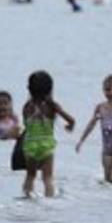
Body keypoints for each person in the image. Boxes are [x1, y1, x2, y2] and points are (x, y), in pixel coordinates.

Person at [21, 70, 75, 198]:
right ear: (50, 89)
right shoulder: (52, 107)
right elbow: (71, 120)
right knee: (48, 178)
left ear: (29, 89)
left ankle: (27, 196)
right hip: (46, 146)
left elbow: (26, 125)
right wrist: (69, 126)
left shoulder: (27, 107)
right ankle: (49, 201)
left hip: (30, 145)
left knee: (30, 176)